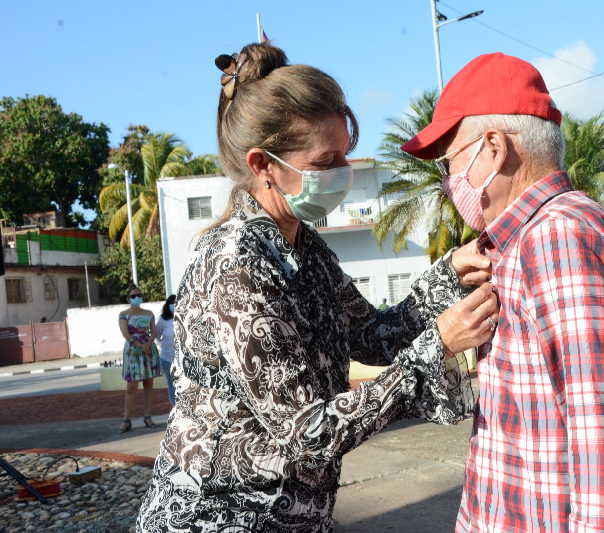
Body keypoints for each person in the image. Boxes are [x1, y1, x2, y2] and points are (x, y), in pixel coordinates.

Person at [137, 41, 496, 532]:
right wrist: (439, 345)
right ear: (263, 164)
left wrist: (450, 275)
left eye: (345, 157)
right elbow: (307, 433)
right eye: (326, 162)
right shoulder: (235, 265)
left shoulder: (304, 249)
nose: (343, 174)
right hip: (222, 518)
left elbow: (372, 335)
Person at [401, 52, 604, 532]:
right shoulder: (527, 240)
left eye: (452, 161)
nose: (450, 184)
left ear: (494, 147)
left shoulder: (559, 238)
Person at [118, 286, 161, 433]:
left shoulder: (149, 313)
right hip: (133, 351)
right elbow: (125, 333)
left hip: (148, 349)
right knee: (131, 386)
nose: (137, 297)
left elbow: (153, 331)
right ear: (128, 299)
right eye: (133, 295)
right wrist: (139, 345)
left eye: (139, 295)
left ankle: (147, 416)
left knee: (148, 384)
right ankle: (126, 419)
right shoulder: (123, 315)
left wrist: (148, 344)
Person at [155, 295, 177, 406]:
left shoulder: (184, 317)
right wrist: (163, 344)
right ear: (167, 305)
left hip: (182, 358)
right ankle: (175, 407)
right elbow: (157, 334)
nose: (174, 306)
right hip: (167, 358)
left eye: (176, 303)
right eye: (171, 303)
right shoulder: (163, 319)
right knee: (171, 383)